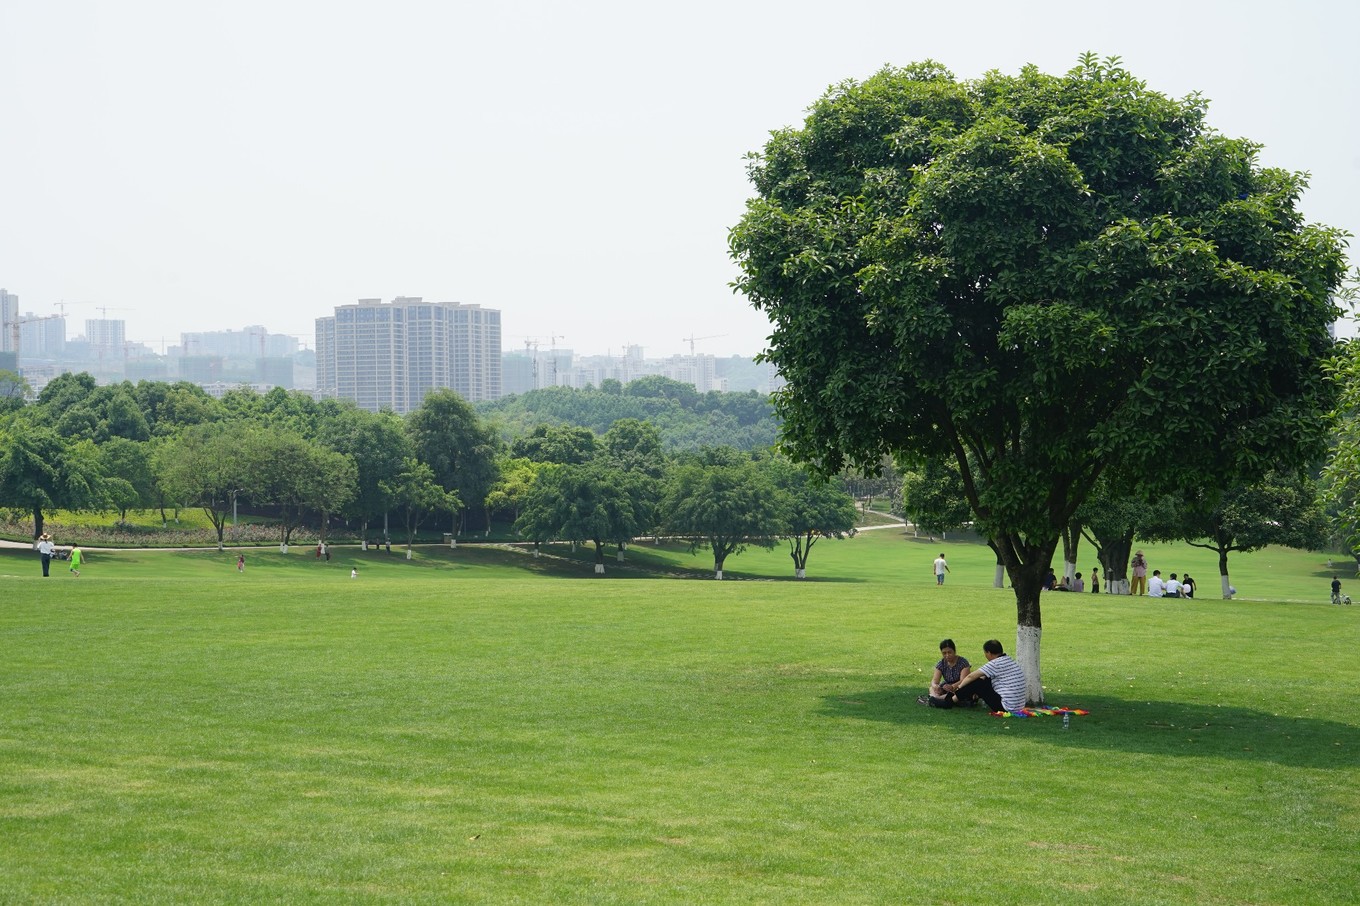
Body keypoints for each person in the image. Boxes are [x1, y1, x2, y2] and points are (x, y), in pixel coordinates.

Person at [951, 639, 1028, 713]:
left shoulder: (995, 663)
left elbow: (971, 677)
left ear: (989, 653)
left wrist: (959, 687)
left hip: (1006, 707)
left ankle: (951, 701)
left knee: (977, 682)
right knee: (985, 678)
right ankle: (967, 699)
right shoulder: (1009, 660)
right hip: (1018, 706)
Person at [919, 638, 971, 708]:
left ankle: (935, 699)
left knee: (958, 692)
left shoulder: (963, 663)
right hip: (946, 687)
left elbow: (963, 680)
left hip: (959, 686)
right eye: (944, 653)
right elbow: (934, 681)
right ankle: (937, 699)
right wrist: (936, 687)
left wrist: (952, 687)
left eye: (949, 652)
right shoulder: (941, 664)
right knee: (931, 688)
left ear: (954, 651)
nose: (947, 655)